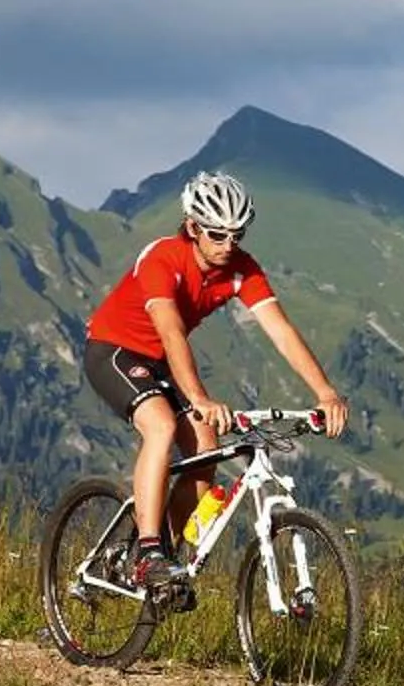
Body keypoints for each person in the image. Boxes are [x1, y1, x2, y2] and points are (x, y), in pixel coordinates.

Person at [81, 170, 350, 601]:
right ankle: (149, 552)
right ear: (192, 227)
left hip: (158, 362)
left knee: (206, 447)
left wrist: (326, 393)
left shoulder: (241, 270)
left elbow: (280, 332)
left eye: (236, 236)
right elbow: (170, 334)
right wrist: (200, 398)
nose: (228, 246)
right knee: (162, 426)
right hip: (114, 350)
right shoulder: (163, 258)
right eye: (217, 235)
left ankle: (162, 554)